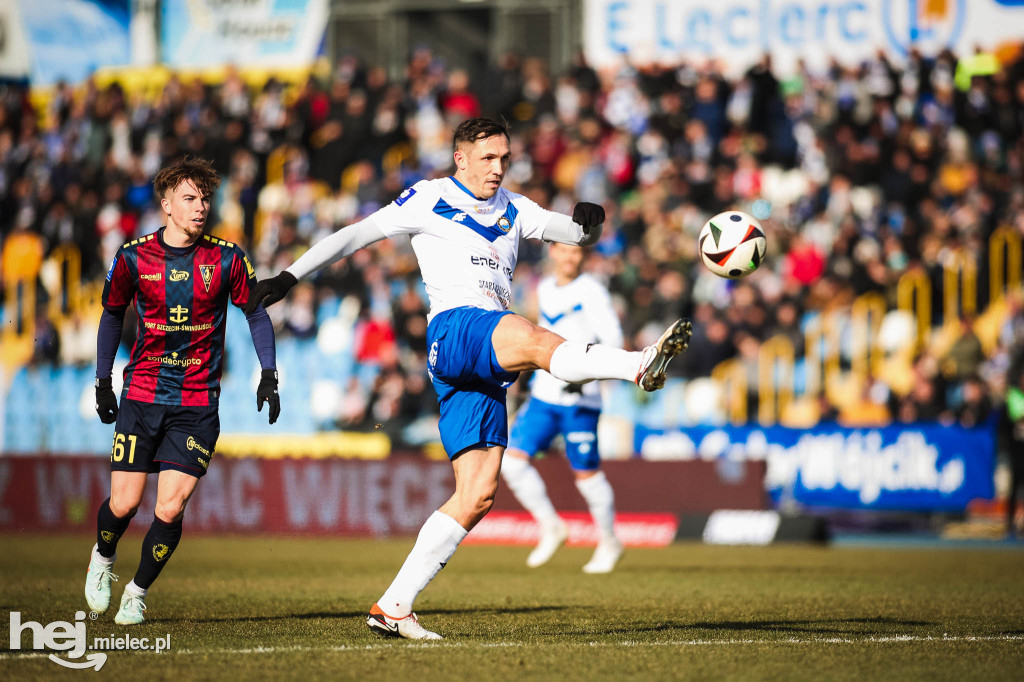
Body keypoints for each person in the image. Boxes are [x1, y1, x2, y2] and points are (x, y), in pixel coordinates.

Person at [246, 118, 690, 639]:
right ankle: (637, 364)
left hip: (480, 362)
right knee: (532, 338)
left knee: (478, 493)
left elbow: (571, 231)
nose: (498, 169)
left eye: (504, 158)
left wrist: (589, 223)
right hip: (455, 327)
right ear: (460, 158)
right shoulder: (428, 197)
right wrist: (289, 276)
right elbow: (355, 235)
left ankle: (394, 606)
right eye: (487, 159)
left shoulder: (516, 209)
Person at [85, 156, 281, 626]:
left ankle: (136, 592)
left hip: (196, 402)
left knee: (169, 507)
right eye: (190, 199)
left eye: (205, 199)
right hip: (143, 394)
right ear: (166, 203)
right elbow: (112, 314)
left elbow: (254, 313)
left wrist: (269, 373)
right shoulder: (133, 256)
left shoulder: (227, 257)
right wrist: (103, 379)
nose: (200, 208)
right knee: (125, 504)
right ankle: (103, 557)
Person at [502, 242, 625, 573]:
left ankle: (610, 542)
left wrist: (586, 375)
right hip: (545, 394)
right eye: (564, 250)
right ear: (553, 250)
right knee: (512, 463)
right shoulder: (542, 288)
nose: (571, 257)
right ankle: (551, 525)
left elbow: (613, 340)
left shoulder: (592, 291)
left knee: (586, 475)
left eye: (577, 252)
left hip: (580, 397)